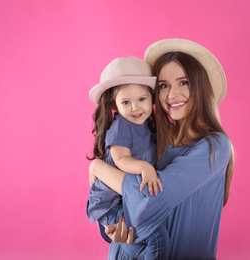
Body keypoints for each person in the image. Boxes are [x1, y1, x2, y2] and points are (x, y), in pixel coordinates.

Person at [89, 38, 234, 259]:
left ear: (200, 86)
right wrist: (114, 228)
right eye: (164, 85)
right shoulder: (157, 138)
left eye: (183, 82)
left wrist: (99, 169)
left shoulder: (214, 146)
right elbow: (126, 212)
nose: (172, 94)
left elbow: (150, 199)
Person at [86, 56, 169, 259]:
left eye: (141, 99)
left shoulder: (150, 126)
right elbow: (121, 160)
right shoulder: (121, 126)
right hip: (112, 202)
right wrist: (145, 168)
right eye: (126, 102)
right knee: (154, 236)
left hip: (129, 198)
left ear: (151, 98)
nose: (135, 108)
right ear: (115, 105)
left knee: (147, 239)